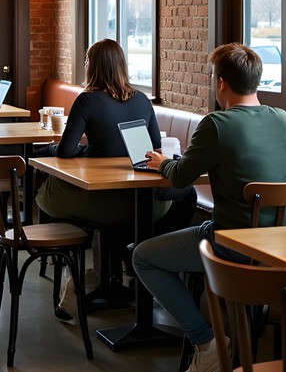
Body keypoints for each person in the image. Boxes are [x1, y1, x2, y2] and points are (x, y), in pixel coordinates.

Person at [131, 43, 286, 372]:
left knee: (143, 256)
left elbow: (180, 178)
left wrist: (163, 162)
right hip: (283, 247)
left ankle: (207, 344)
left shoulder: (217, 124)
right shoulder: (284, 119)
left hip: (233, 245)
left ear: (220, 83)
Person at [35, 39, 196, 319]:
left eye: (86, 61)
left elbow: (65, 150)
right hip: (144, 204)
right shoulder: (141, 99)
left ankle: (99, 271)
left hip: (101, 202)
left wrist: (84, 151)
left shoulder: (87, 100)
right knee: (183, 195)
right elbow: (155, 146)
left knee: (47, 190)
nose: (85, 65)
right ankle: (132, 261)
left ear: (93, 66)